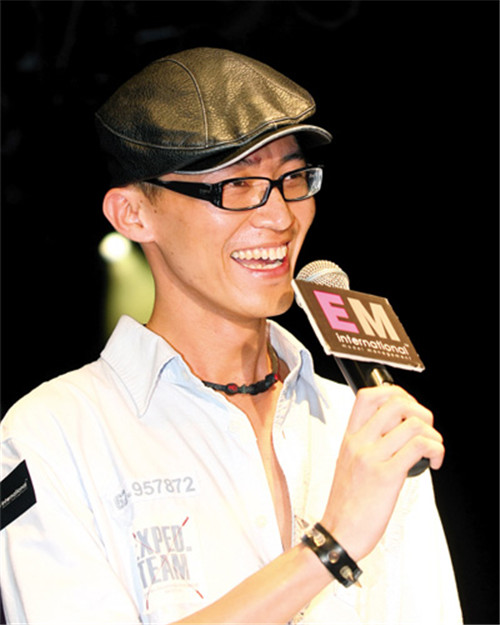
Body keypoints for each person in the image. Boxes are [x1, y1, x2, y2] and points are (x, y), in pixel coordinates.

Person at [1, 47, 462, 624]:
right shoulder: (53, 434)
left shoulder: (367, 427)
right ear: (133, 214)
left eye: (292, 179)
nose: (280, 217)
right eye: (238, 185)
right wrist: (331, 547)